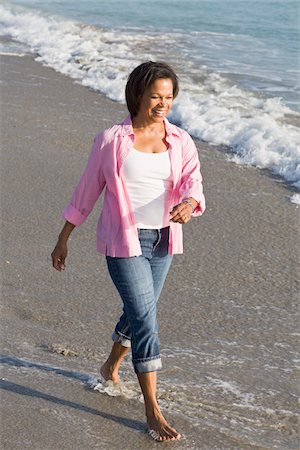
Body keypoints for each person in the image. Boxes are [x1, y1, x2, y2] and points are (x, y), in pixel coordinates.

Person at [51, 61, 205, 442]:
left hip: (163, 240)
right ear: (137, 94)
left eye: (169, 97)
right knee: (146, 319)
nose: (162, 103)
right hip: (123, 242)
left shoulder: (181, 140)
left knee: (139, 311)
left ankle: (109, 367)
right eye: (156, 96)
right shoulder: (110, 140)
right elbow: (87, 190)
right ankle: (152, 409)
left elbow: (193, 183)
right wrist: (64, 237)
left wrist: (189, 204)